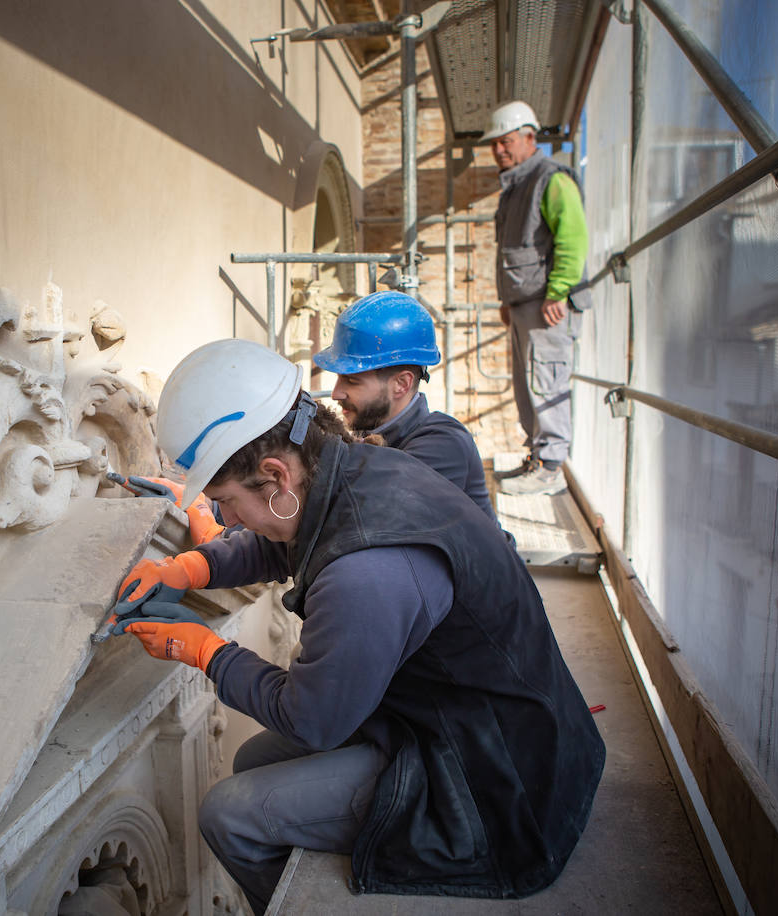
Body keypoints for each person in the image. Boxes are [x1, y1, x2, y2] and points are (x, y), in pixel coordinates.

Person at [109, 338, 604, 913]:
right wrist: (192, 567)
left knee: (229, 813)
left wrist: (207, 652)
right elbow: (291, 537)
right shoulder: (357, 467)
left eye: (224, 500)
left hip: (495, 776)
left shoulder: (365, 575)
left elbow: (312, 719)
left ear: (275, 474)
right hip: (464, 715)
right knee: (252, 760)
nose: (220, 518)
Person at [314, 290, 496, 522]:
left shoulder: (443, 445)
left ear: (401, 383)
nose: (336, 393)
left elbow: (366, 515)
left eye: (351, 380)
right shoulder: (374, 433)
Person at [488, 100, 592, 496]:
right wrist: (507, 299)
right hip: (523, 304)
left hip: (546, 303)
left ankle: (550, 467)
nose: (499, 150)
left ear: (531, 138)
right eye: (494, 144)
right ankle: (536, 457)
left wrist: (559, 290)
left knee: (546, 380)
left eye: (506, 141)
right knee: (527, 384)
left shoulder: (551, 179)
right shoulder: (515, 186)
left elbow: (573, 238)